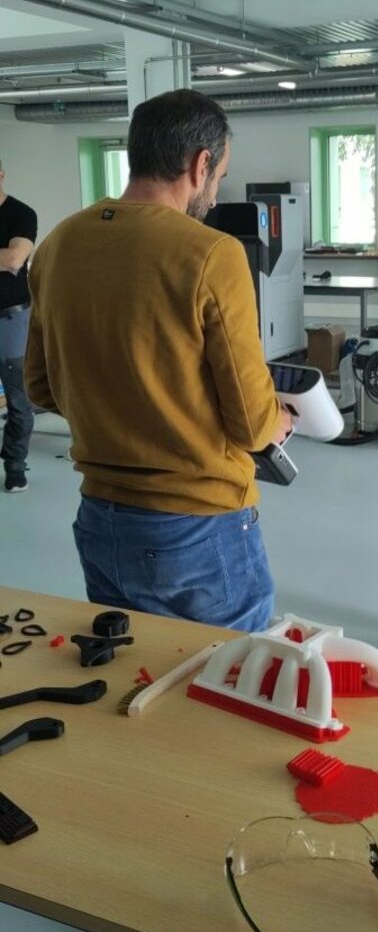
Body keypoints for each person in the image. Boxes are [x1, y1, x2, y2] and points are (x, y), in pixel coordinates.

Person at [25, 89, 291, 633]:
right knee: (230, 674)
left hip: (101, 522)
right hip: (198, 526)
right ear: (200, 164)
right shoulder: (211, 253)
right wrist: (280, 420)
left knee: (137, 674)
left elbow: (40, 387)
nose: (213, 197)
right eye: (218, 178)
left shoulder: (57, 245)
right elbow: (250, 421)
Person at [0, 159, 37, 493]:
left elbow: (14, 258)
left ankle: (14, 467)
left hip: (11, 320)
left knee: (18, 400)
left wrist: (9, 258)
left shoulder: (21, 214)